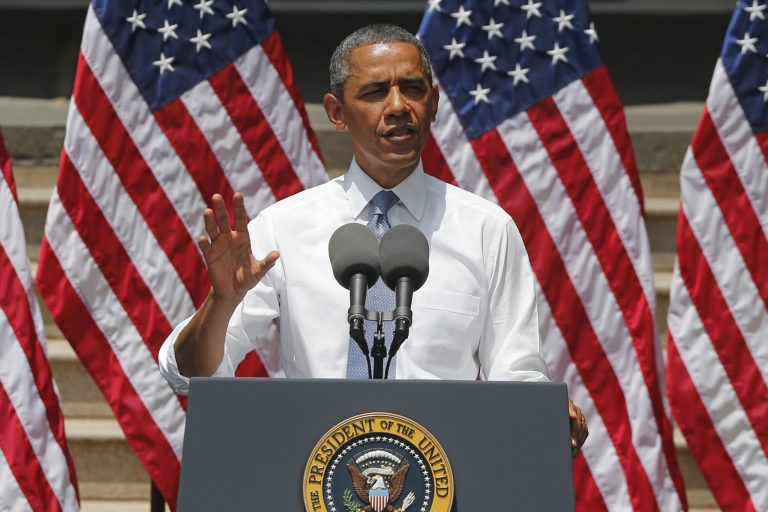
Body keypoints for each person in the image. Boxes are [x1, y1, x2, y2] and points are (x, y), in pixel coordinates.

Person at [158, 24, 588, 454]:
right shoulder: (282, 229)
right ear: (336, 111)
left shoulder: (486, 229)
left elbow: (516, 376)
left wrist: (544, 413)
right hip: (312, 475)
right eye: (375, 92)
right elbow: (192, 374)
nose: (399, 106)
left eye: (413, 89)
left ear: (433, 102)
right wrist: (222, 302)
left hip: (443, 479)